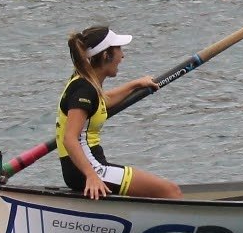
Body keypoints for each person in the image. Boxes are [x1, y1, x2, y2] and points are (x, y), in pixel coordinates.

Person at [57, 26, 178, 200]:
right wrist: (92, 176)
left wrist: (135, 84)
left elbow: (102, 103)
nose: (122, 56)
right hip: (88, 169)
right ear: (106, 55)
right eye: (119, 49)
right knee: (171, 191)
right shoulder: (84, 90)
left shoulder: (82, 81)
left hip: (82, 167)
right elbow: (70, 138)